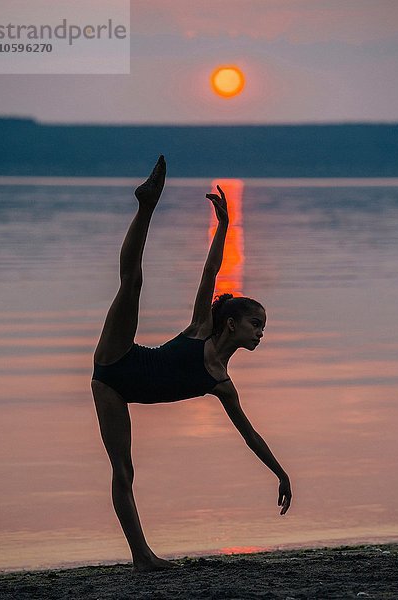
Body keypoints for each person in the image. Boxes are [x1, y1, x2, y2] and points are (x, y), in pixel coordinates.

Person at [91, 155, 292, 572]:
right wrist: (223, 227)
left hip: (112, 389)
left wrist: (281, 473)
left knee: (123, 470)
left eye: (264, 327)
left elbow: (251, 435)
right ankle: (147, 204)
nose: (260, 333)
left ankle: (142, 559)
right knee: (133, 282)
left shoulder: (222, 383)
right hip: (118, 358)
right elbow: (210, 272)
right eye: (256, 324)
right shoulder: (201, 327)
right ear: (232, 323)